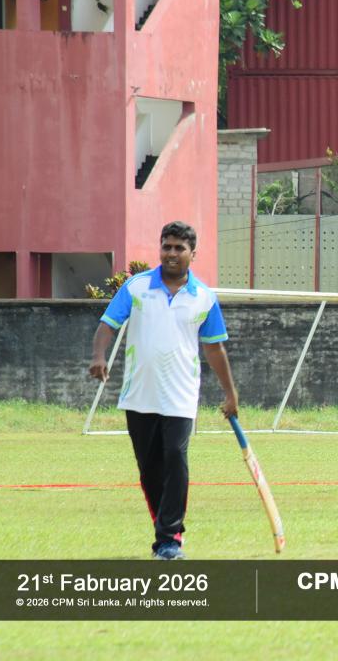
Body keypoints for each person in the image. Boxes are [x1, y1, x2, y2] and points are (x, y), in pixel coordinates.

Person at [88, 221, 239, 560]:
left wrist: (230, 393)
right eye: (166, 246)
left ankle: (170, 538)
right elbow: (107, 324)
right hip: (139, 394)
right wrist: (98, 356)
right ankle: (166, 530)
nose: (171, 253)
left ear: (192, 254)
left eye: (179, 248)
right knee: (150, 469)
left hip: (181, 395)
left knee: (175, 457)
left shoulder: (204, 297)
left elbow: (214, 348)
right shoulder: (137, 286)